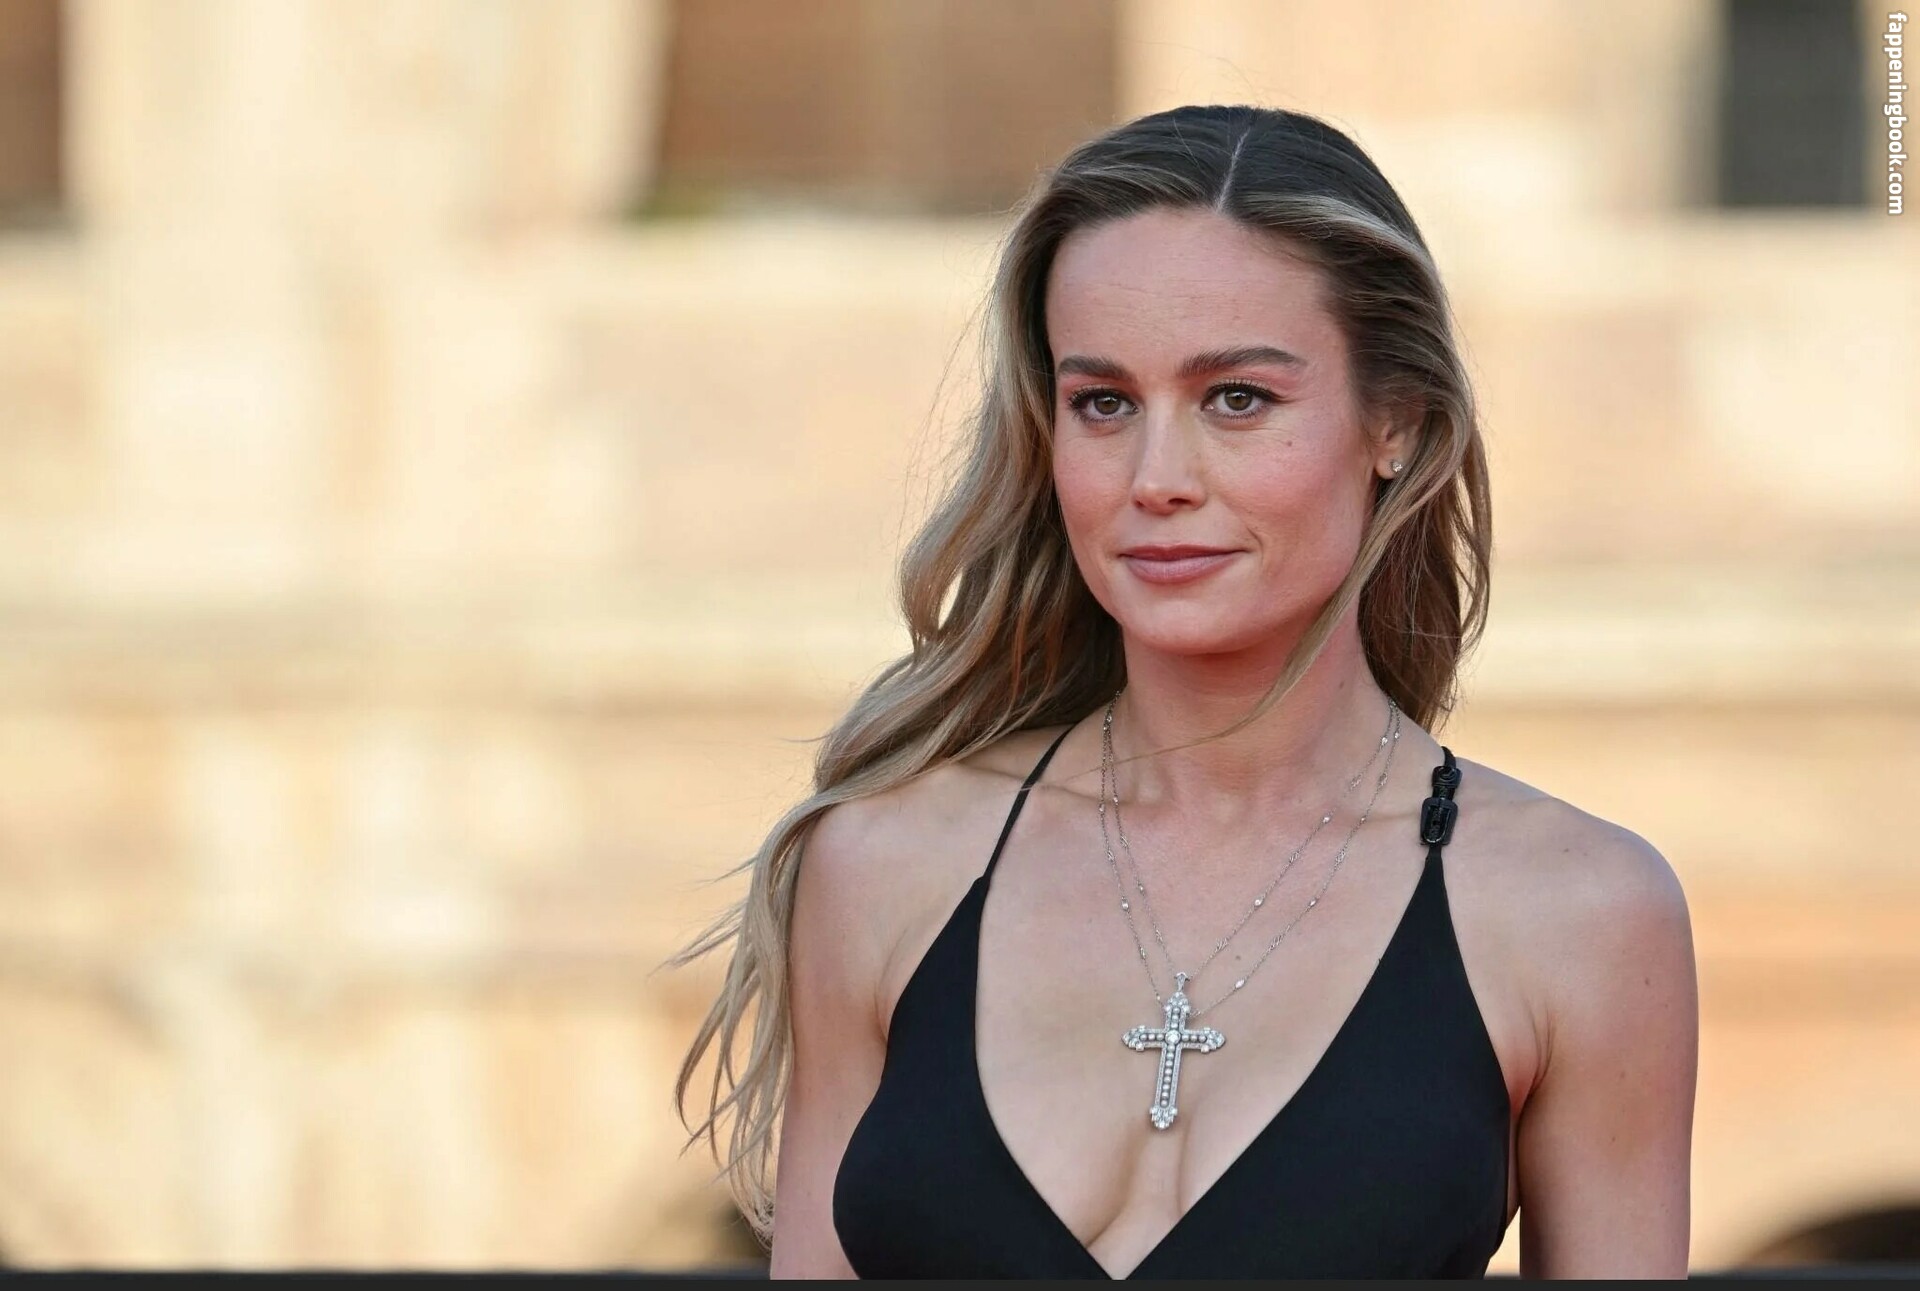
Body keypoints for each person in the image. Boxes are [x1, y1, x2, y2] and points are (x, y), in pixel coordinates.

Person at [670, 104, 1698, 1279]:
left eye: (1237, 399)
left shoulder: (1578, 913)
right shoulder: (885, 863)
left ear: (1398, 425)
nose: (1156, 479)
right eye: (1104, 403)